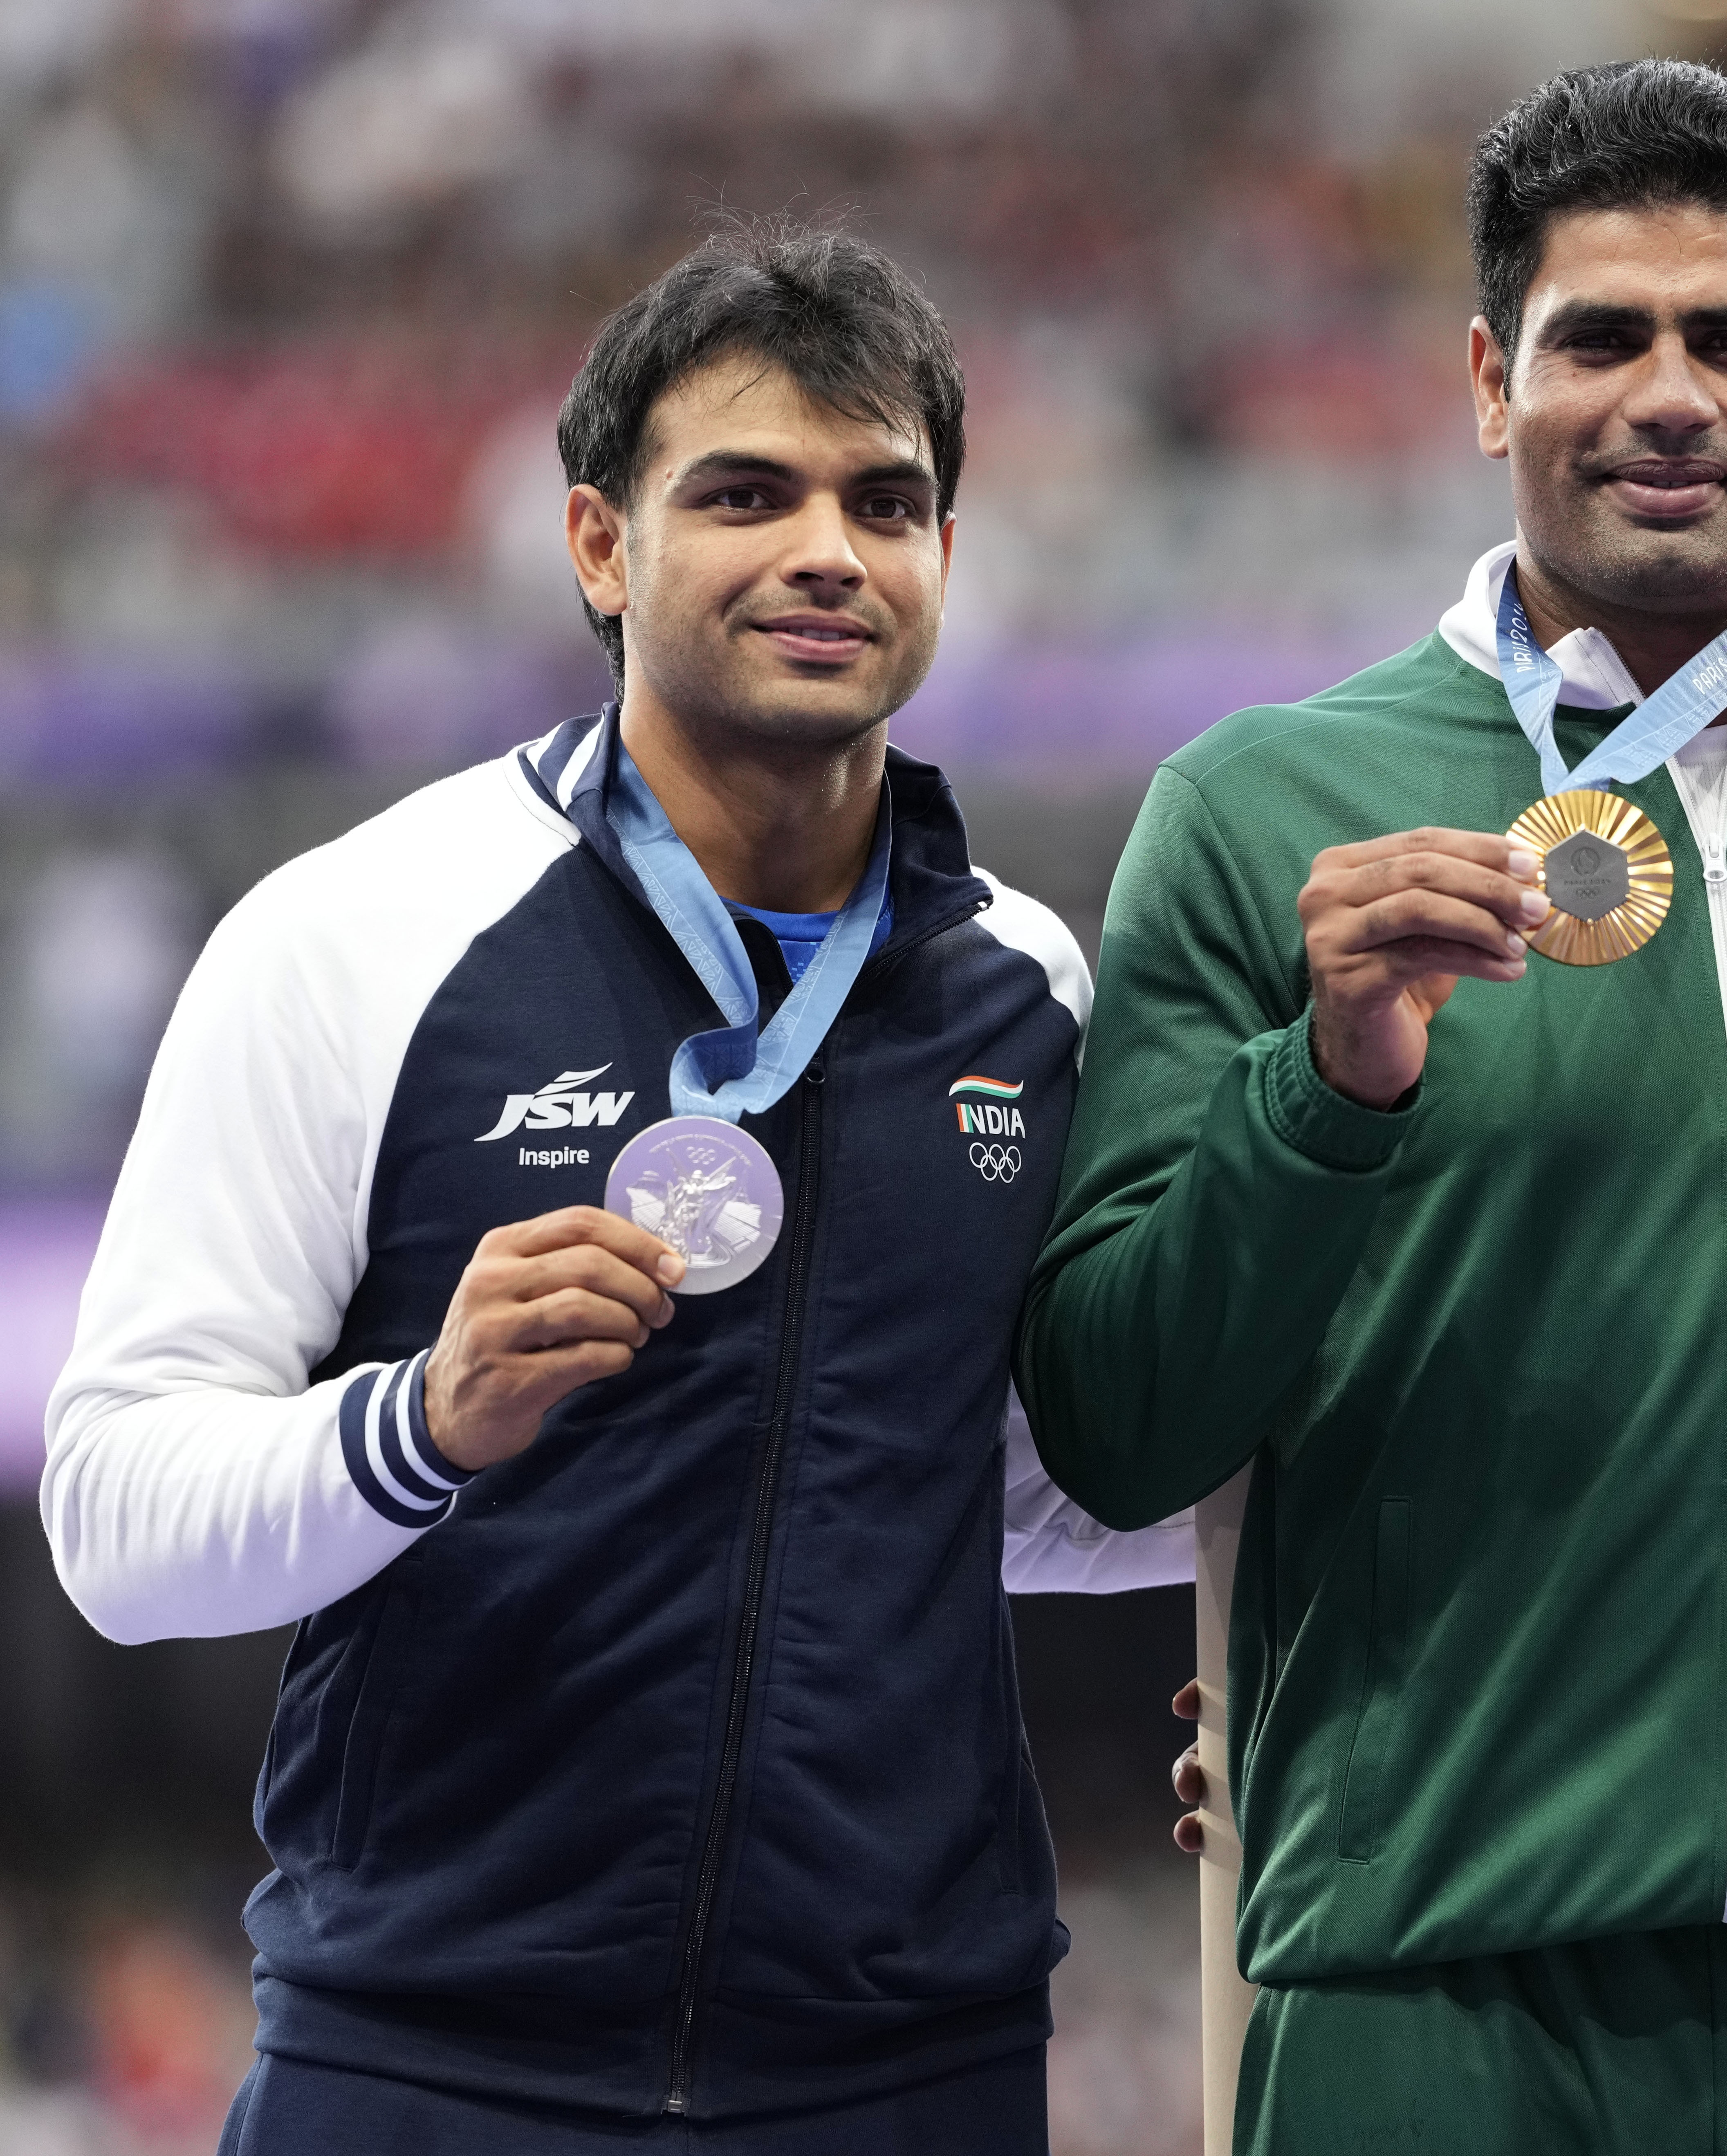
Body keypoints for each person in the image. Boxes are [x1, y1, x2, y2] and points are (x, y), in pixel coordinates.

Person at [1017, 60, 1727, 2156]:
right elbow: (1114, 1423)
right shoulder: (1264, 806)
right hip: (1441, 1984)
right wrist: (1324, 1086)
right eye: (1599, 339)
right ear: (1489, 379)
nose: (1671, 394)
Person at [41, 216, 1188, 2152]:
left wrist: (1295, 1535)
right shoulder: (356, 934)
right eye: (745, 492)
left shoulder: (1024, 984)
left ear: (943, 563)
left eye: (884, 500)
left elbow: (991, 1495)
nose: (827, 547)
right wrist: (418, 1424)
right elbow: (113, 1518)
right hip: (432, 2057)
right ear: (599, 543)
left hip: (912, 2065)